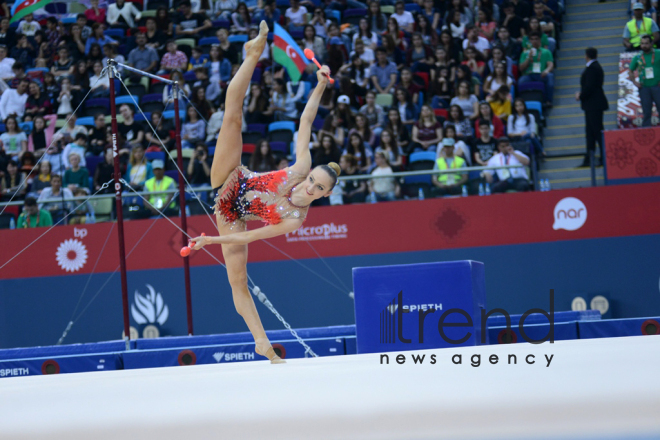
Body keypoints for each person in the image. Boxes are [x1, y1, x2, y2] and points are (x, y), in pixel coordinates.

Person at [189, 23, 339, 365]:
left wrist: (212, 241)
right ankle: (253, 54)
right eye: (313, 179)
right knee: (233, 117)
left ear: (325, 195)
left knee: (238, 280)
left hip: (231, 214)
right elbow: (306, 121)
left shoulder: (295, 220)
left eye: (318, 188)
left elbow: (256, 234)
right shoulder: (301, 167)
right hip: (233, 177)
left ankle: (262, 343)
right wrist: (318, 87)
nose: (309, 186)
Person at [577, 47, 609, 167]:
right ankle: (589, 158)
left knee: (596, 131)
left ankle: (603, 157)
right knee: (591, 132)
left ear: (586, 55)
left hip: (594, 104)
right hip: (592, 105)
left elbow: (589, 87)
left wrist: (580, 95)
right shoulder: (596, 67)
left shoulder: (592, 68)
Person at [629, 34, 660, 128]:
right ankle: (647, 133)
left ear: (651, 44)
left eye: (646, 43)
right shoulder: (637, 57)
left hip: (657, 86)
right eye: (642, 44)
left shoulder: (658, 53)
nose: (644, 46)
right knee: (646, 112)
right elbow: (630, 70)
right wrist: (634, 82)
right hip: (644, 88)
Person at [518, 32, 554, 107]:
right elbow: (521, 68)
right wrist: (528, 57)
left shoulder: (546, 52)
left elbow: (550, 64)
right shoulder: (525, 53)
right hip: (529, 74)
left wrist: (546, 71)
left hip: (541, 74)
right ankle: (521, 103)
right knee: (521, 81)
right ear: (530, 41)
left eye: (536, 39)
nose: (534, 41)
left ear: (540, 40)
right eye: (532, 39)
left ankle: (548, 100)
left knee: (550, 76)